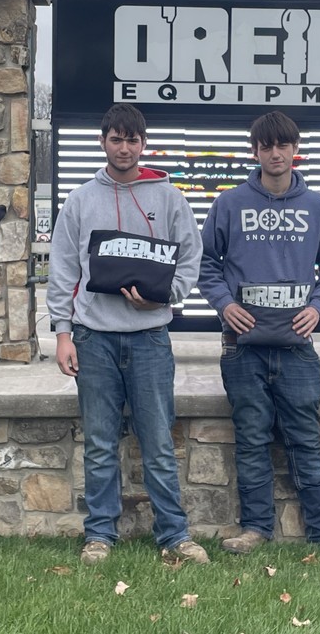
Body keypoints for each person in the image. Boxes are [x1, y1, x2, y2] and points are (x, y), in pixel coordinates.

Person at [198, 110, 320, 555]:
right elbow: (205, 265)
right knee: (252, 440)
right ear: (255, 151)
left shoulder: (318, 207)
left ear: (296, 150)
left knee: (305, 441)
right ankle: (256, 529)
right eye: (266, 146)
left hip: (297, 350)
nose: (275, 154)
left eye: (283, 145)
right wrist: (226, 304)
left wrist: (317, 307)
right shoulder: (229, 204)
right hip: (242, 350)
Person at [47, 102, 209, 566]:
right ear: (103, 142)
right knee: (99, 443)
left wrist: (167, 296)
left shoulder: (169, 197)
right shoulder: (80, 200)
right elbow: (62, 268)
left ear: (143, 143)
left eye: (132, 139)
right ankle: (99, 534)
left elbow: (190, 257)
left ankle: (174, 535)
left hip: (150, 339)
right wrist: (63, 332)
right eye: (115, 139)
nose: (124, 147)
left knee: (158, 442)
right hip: (93, 337)